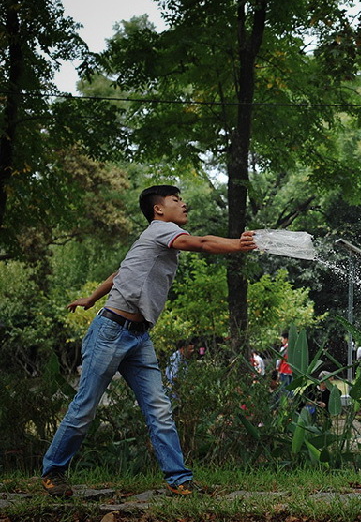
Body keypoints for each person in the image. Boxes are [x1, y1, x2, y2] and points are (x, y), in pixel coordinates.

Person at [41, 185, 257, 497]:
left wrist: (91, 297)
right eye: (176, 200)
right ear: (159, 209)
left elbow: (120, 272)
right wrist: (238, 245)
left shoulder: (152, 241)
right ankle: (53, 472)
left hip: (138, 337)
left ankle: (179, 479)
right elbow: (203, 243)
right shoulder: (161, 230)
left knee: (159, 409)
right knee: (85, 407)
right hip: (110, 332)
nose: (184, 205)